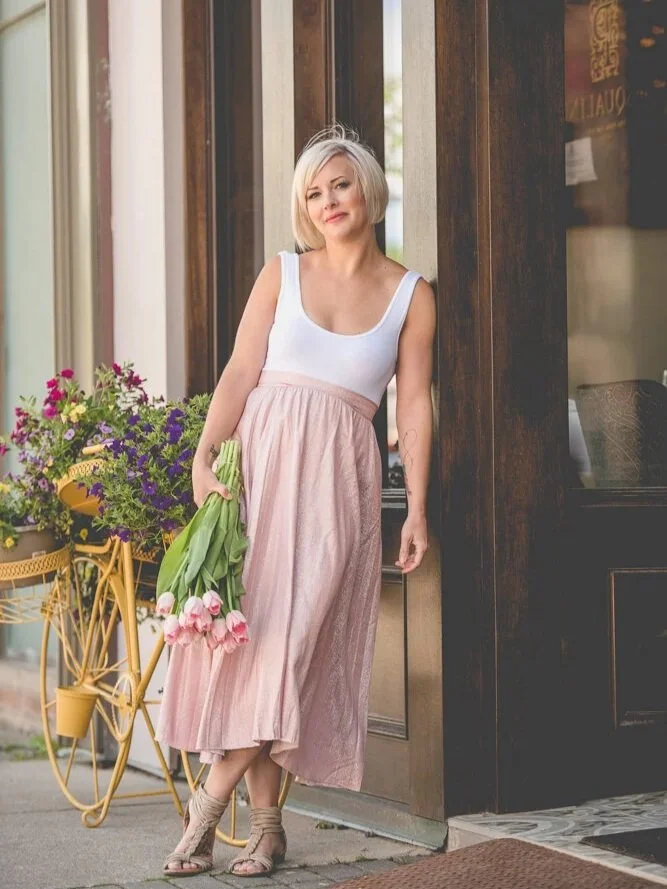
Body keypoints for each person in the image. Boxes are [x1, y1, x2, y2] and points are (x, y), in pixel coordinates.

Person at [157, 123, 436, 878]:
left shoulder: (411, 295)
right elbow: (239, 370)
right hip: (260, 471)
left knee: (295, 645)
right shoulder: (281, 272)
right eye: (313, 193)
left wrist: (415, 506)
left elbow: (412, 407)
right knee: (259, 646)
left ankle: (205, 810)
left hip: (338, 487)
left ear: (368, 189)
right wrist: (203, 455)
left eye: (340, 185)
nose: (328, 201)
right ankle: (269, 829)